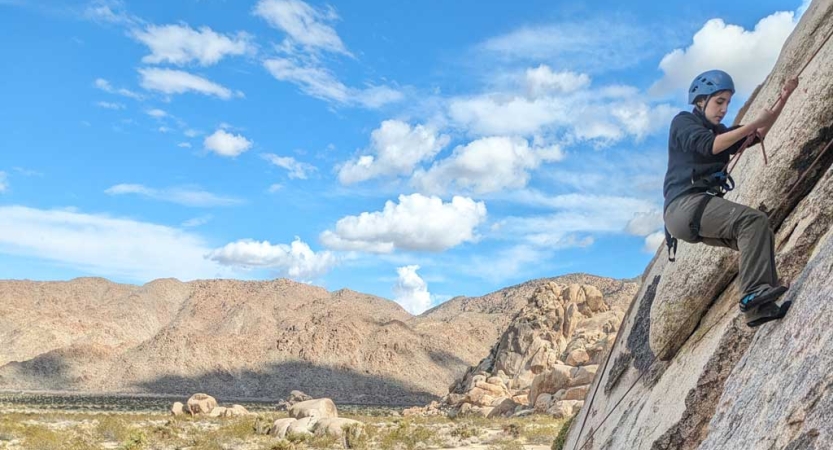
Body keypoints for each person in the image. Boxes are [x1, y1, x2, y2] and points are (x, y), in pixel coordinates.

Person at [662, 69, 799, 327]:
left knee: (757, 232)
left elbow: (757, 135)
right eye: (719, 101)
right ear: (700, 101)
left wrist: (784, 97)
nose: (724, 109)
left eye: (727, 102)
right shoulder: (683, 122)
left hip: (689, 214)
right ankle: (753, 293)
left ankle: (760, 310)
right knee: (752, 221)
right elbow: (710, 145)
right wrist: (752, 123)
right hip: (684, 206)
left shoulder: (720, 132)